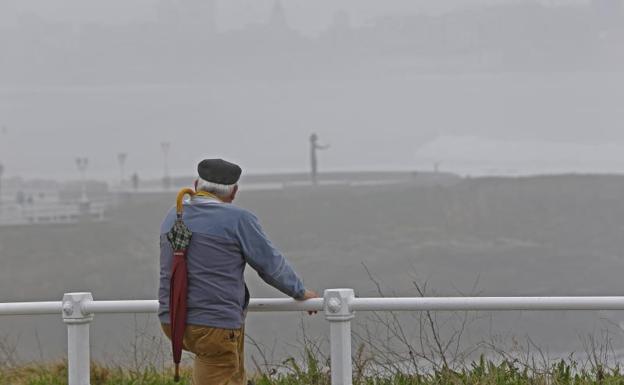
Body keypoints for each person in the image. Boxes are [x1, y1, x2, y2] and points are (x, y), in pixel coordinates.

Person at [159, 158, 318, 385]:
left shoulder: (173, 215)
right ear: (233, 193)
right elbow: (270, 265)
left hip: (172, 319)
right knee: (220, 367)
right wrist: (301, 292)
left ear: (196, 184)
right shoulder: (237, 219)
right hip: (213, 325)